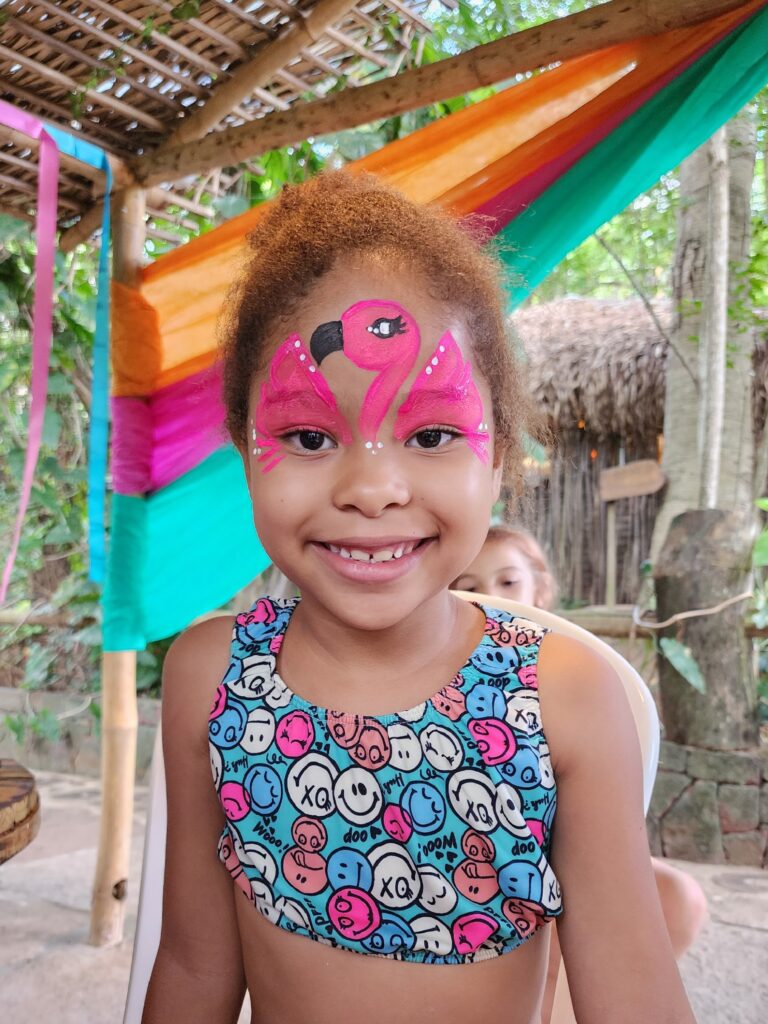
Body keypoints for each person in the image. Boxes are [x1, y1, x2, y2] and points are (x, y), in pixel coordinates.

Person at [143, 172, 696, 1024]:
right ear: (244, 450)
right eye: (308, 435)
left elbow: (636, 1003)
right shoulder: (211, 681)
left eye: (432, 434)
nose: (372, 487)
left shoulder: (565, 701)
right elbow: (189, 967)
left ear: (500, 454)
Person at [452, 524, 708, 1022]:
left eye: (508, 582)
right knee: (536, 924)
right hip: (491, 869)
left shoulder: (576, 677)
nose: (491, 597)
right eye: (469, 584)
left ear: (539, 589)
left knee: (678, 898)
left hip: (580, 860)